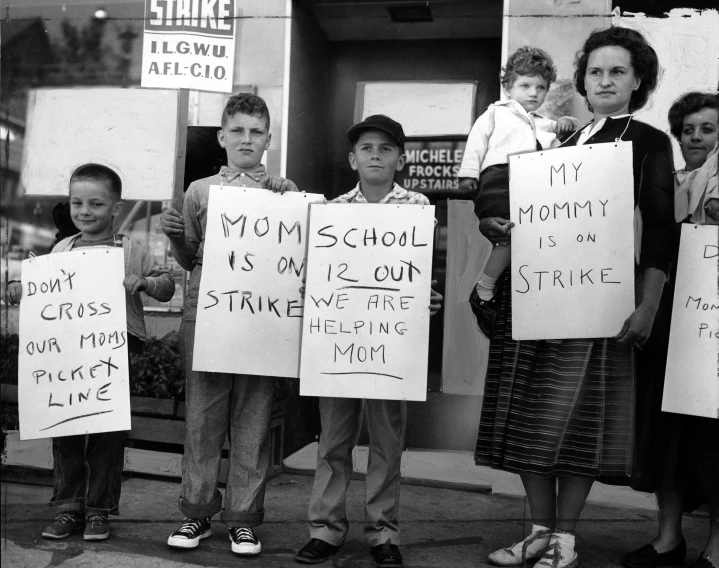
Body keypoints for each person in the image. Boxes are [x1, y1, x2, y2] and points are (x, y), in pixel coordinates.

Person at [474, 26, 676, 568]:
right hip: (537, 302)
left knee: (576, 422)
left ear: (638, 81)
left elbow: (660, 229)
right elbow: (524, 221)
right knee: (529, 421)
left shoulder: (649, 141)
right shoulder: (558, 142)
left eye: (617, 71)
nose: (605, 80)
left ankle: (565, 536)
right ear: (582, 81)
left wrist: (649, 304)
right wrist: (496, 229)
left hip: (598, 309)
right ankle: (538, 531)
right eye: (595, 71)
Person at [294, 114, 443, 568]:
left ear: (400, 158)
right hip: (340, 341)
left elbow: (417, 276)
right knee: (333, 441)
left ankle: (383, 532)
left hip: (392, 342)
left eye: (385, 147)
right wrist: (313, 290)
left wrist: (427, 297)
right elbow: (316, 272)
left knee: (386, 441)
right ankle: (325, 529)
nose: (375, 154)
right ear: (351, 158)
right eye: (366, 148)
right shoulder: (331, 210)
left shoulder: (418, 207)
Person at [160, 93, 298, 557]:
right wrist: (176, 236)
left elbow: (296, 259)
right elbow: (189, 260)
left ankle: (243, 518)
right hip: (209, 313)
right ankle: (195, 514)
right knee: (202, 418)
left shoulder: (284, 190)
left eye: (255, 132)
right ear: (221, 137)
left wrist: (290, 200)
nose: (246, 139)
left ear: (268, 139)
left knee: (253, 419)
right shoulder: (199, 191)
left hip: (261, 319)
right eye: (237, 130)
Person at [5, 163, 176, 541]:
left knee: (107, 434)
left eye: (96, 204)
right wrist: (20, 288)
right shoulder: (61, 248)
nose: (84, 211)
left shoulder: (131, 250)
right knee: (65, 431)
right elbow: (42, 292)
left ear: (115, 208)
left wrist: (144, 282)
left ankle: (99, 511)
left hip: (114, 351)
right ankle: (68, 510)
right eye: (76, 202)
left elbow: (167, 286)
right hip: (68, 352)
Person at [622, 91, 718, 568]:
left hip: (712, 335)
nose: (695, 137)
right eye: (688, 129)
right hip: (666, 330)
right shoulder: (666, 183)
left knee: (713, 441)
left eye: (708, 128)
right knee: (668, 438)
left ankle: (716, 551)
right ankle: (668, 540)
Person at [457, 46, 579, 336]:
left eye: (541, 87)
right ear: (508, 87)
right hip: (498, 178)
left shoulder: (541, 122)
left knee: (524, 235)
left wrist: (568, 124)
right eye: (525, 85)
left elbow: (565, 139)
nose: (533, 92)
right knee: (511, 234)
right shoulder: (496, 113)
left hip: (528, 180)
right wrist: (468, 173)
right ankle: (484, 288)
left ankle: (495, 287)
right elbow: (477, 142)